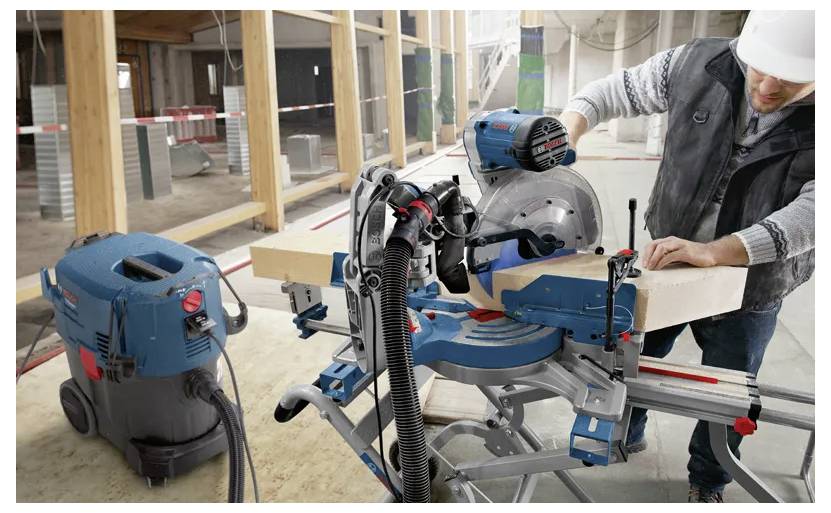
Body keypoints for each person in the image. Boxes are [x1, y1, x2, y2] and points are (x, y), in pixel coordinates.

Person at [559, 10, 814, 502]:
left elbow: (811, 217)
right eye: (760, 70)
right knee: (633, 359)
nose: (766, 88)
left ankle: (709, 479)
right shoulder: (696, 63)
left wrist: (715, 252)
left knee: (729, 391)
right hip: (666, 261)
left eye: (790, 80)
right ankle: (626, 432)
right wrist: (568, 132)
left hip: (751, 282)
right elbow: (609, 92)